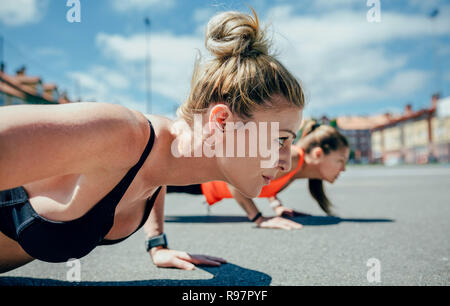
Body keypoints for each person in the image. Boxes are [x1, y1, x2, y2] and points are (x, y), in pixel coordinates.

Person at [0, 9, 305, 273]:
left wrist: (157, 244)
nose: (286, 160)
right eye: (280, 139)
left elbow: (156, 177)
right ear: (222, 122)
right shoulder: (119, 134)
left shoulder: (167, 158)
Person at [167, 121, 349, 230]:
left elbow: (266, 177)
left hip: (204, 184)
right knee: (146, 190)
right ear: (318, 154)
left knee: (148, 193)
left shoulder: (296, 166)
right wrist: (259, 218)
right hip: (201, 176)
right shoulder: (292, 158)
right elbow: (234, 180)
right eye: (340, 161)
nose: (343, 169)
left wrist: (277, 205)